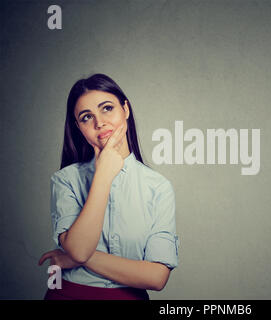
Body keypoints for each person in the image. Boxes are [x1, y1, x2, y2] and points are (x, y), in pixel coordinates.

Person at [38, 73, 179, 300]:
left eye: (107, 108)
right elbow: (79, 249)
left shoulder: (158, 187)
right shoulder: (65, 180)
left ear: (125, 109)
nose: (99, 122)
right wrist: (103, 174)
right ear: (78, 127)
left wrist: (75, 257)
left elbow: (157, 278)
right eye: (86, 117)